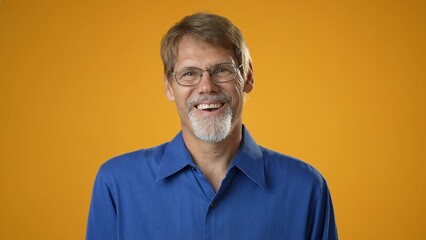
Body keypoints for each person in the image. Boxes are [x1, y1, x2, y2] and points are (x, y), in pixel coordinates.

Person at [87, 12, 338, 240]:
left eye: (221, 70)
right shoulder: (117, 184)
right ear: (168, 87)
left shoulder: (306, 189)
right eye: (189, 74)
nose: (207, 87)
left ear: (247, 77)